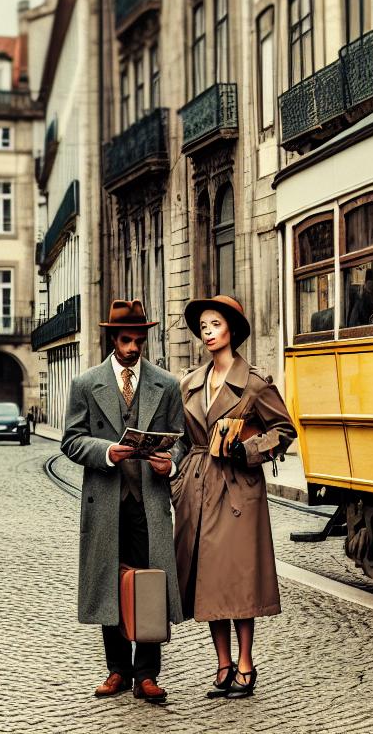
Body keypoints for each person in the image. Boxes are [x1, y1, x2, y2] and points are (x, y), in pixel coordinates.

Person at [174, 294, 297, 700]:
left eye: (215, 325)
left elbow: (284, 430)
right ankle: (222, 663)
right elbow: (179, 438)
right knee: (208, 580)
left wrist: (248, 450)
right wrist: (173, 476)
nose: (208, 333)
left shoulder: (255, 383)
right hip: (196, 486)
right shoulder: (190, 383)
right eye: (203, 327)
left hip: (238, 489)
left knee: (239, 578)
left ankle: (246, 662)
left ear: (232, 330)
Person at [60, 299, 184, 705]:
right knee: (110, 584)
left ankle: (147, 674)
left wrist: (171, 464)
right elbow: (71, 440)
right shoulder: (85, 384)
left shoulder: (165, 384)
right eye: (127, 339)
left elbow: (181, 440)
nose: (134, 348)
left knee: (150, 583)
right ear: (113, 338)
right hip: (106, 501)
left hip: (148, 502)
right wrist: (105, 452)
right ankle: (117, 669)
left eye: (140, 340)